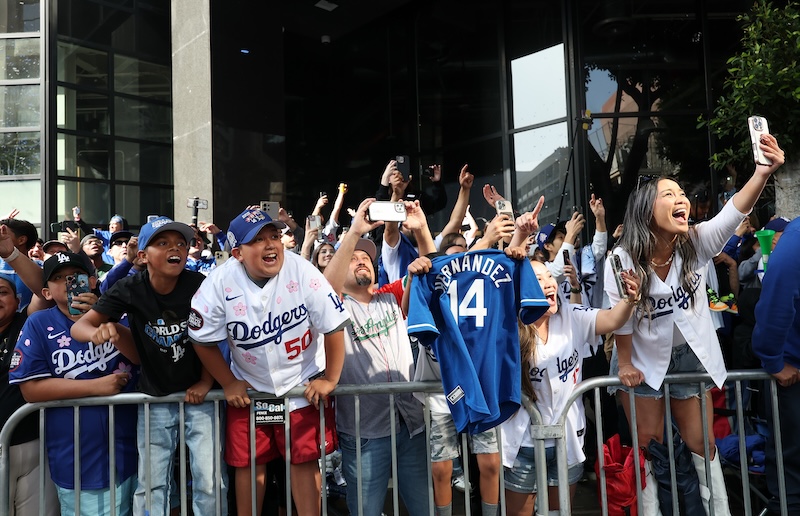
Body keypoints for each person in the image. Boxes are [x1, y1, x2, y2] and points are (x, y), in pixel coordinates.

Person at [605, 133, 784, 516]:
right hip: (638, 359)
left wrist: (763, 173)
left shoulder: (697, 242)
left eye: (682, 193)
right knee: (650, 451)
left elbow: (733, 212)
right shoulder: (621, 258)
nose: (682, 199)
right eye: (669, 194)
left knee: (702, 445)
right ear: (644, 209)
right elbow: (619, 323)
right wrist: (623, 364)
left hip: (689, 356)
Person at [188, 207, 350, 516]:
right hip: (250, 388)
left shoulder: (301, 269)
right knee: (250, 463)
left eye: (274, 236)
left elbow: (334, 324)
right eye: (258, 240)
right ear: (237, 252)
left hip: (300, 382)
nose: (271, 244)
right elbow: (201, 338)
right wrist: (228, 381)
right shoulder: (219, 281)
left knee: (303, 459)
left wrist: (331, 377)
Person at [70, 216, 227, 516]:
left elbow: (213, 337)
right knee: (152, 483)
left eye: (181, 243)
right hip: (155, 397)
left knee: (209, 481)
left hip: (203, 397)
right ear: (142, 256)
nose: (176, 248)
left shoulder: (199, 284)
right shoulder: (129, 288)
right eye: (163, 243)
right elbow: (81, 328)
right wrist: (98, 332)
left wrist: (206, 382)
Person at [502, 258, 639, 516]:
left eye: (549, 277)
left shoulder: (572, 316)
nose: (548, 284)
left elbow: (611, 319)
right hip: (523, 445)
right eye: (537, 280)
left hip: (568, 440)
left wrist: (630, 300)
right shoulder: (509, 324)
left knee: (559, 512)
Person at [323, 197, 434, 516]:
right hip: (364, 434)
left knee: (423, 509)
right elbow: (325, 290)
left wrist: (422, 229)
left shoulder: (391, 297)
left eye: (366, 258)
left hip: (410, 425)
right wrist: (355, 231)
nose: (361, 260)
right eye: (353, 258)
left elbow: (432, 272)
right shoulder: (335, 308)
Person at [9, 252, 138, 516]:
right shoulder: (38, 323)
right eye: (58, 278)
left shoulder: (119, 314)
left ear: (91, 281)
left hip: (135, 449)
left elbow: (142, 357)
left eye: (75, 276)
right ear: (45, 291)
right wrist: (96, 387)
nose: (68, 283)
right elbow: (30, 390)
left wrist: (103, 316)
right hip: (77, 459)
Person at [751, 216, 800, 514]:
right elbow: (776, 304)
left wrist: (773, 359)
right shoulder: (794, 238)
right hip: (792, 374)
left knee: (790, 481)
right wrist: (774, 360)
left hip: (792, 373)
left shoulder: (795, 238)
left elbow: (776, 302)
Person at [0, 273, 59, 516]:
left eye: (2, 292)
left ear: (17, 300)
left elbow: (41, 289)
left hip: (33, 444)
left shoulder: (25, 324)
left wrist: (11, 253)